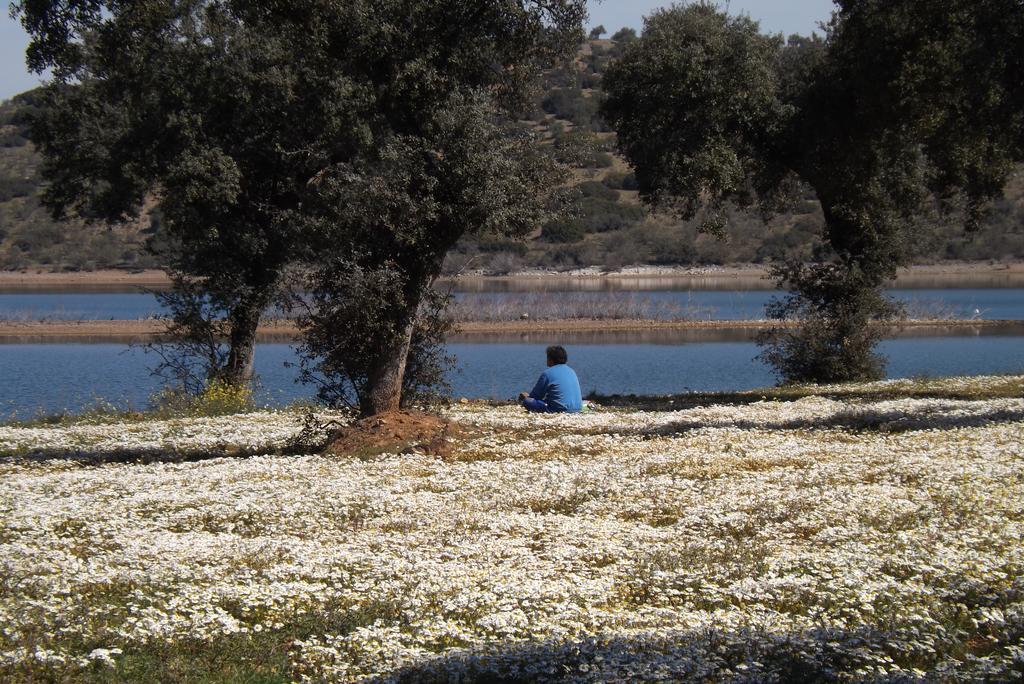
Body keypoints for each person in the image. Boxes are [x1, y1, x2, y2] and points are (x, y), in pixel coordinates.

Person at [518, 345, 582, 413]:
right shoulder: (572, 371)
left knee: (527, 401)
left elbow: (536, 396)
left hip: (558, 409)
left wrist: (526, 398)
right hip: (577, 408)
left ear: (551, 359)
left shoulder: (547, 374)